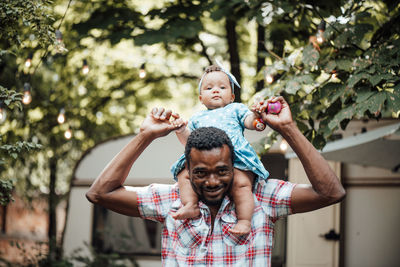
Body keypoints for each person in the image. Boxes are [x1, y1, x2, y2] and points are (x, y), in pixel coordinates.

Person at [86, 97, 346, 266]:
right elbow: (100, 193)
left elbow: (330, 192)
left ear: (235, 164)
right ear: (187, 169)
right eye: (200, 172)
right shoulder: (170, 200)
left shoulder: (262, 198)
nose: (212, 181)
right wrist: (145, 136)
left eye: (222, 171)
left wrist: (288, 129)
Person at [156, 62, 270, 235]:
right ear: (201, 98)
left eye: (222, 87)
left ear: (232, 96)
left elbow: (248, 121)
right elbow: (190, 142)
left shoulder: (235, 108)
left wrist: (256, 121)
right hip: (204, 157)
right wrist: (180, 129)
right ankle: (190, 205)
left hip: (235, 156)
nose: (216, 90)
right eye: (209, 88)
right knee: (183, 175)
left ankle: (245, 221)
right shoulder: (197, 117)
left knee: (241, 184)